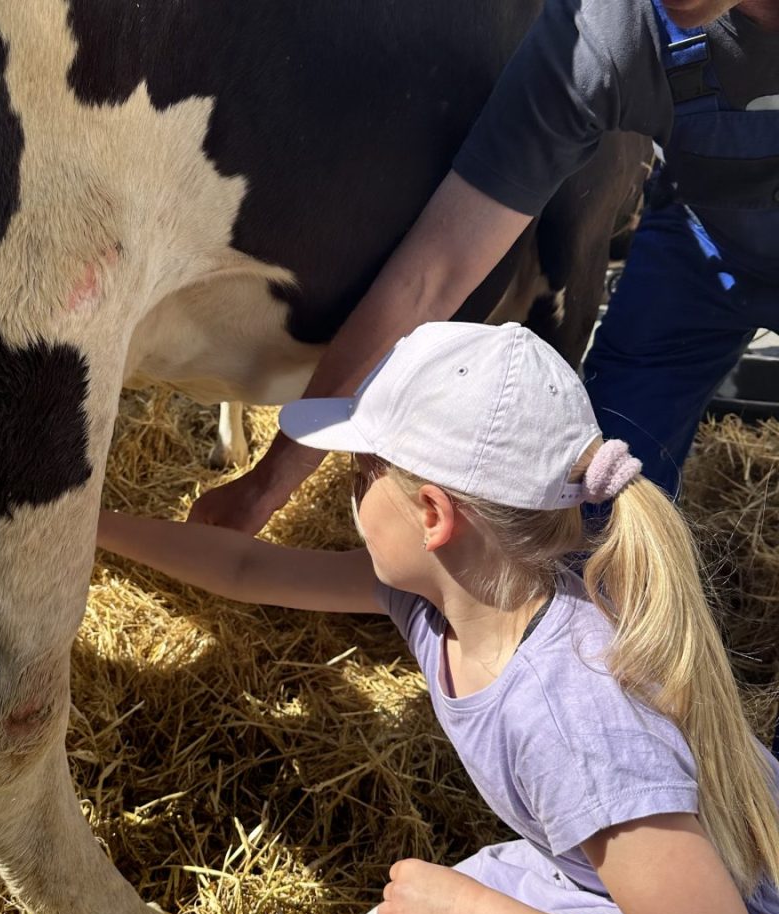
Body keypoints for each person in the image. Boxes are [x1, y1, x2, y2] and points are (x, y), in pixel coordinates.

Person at [101, 321, 779, 914]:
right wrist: (91, 521)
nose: (349, 498)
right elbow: (247, 568)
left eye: (359, 475)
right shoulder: (449, 601)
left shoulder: (571, 721)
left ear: (432, 515)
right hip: (625, 888)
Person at [188, 0, 779, 534]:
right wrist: (268, 486)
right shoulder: (598, 27)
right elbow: (431, 275)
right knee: (595, 520)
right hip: (703, 244)